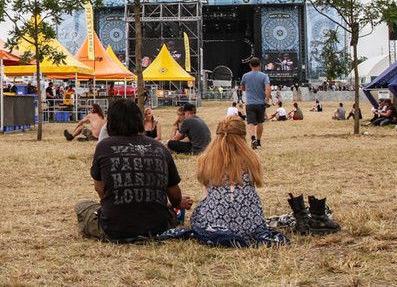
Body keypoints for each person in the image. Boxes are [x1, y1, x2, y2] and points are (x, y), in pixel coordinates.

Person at [74, 98, 191, 242]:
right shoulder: (159, 147)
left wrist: (117, 207)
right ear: (139, 120)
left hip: (114, 228)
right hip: (158, 226)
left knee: (81, 205)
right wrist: (177, 203)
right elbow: (174, 194)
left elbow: (100, 189)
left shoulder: (103, 147)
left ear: (110, 123)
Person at [185, 116, 286, 246]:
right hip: (250, 225)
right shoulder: (252, 159)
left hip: (215, 225)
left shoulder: (205, 160)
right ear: (243, 136)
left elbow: (206, 195)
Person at [239, 59, 271, 150]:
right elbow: (268, 88)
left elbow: (242, 88)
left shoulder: (245, 76)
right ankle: (259, 141)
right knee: (260, 122)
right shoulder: (264, 76)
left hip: (250, 103)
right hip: (261, 103)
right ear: (259, 65)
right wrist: (267, 100)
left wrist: (249, 90)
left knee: (251, 122)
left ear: (250, 65)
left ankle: (253, 139)